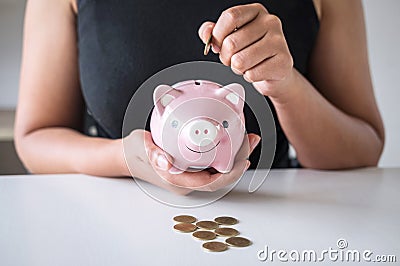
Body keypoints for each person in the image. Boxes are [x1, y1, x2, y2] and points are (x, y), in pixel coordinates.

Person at [14, 0, 384, 195]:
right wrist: (124, 157)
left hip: (276, 223)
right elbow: (36, 137)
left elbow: (363, 147)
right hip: (113, 221)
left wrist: (284, 85)